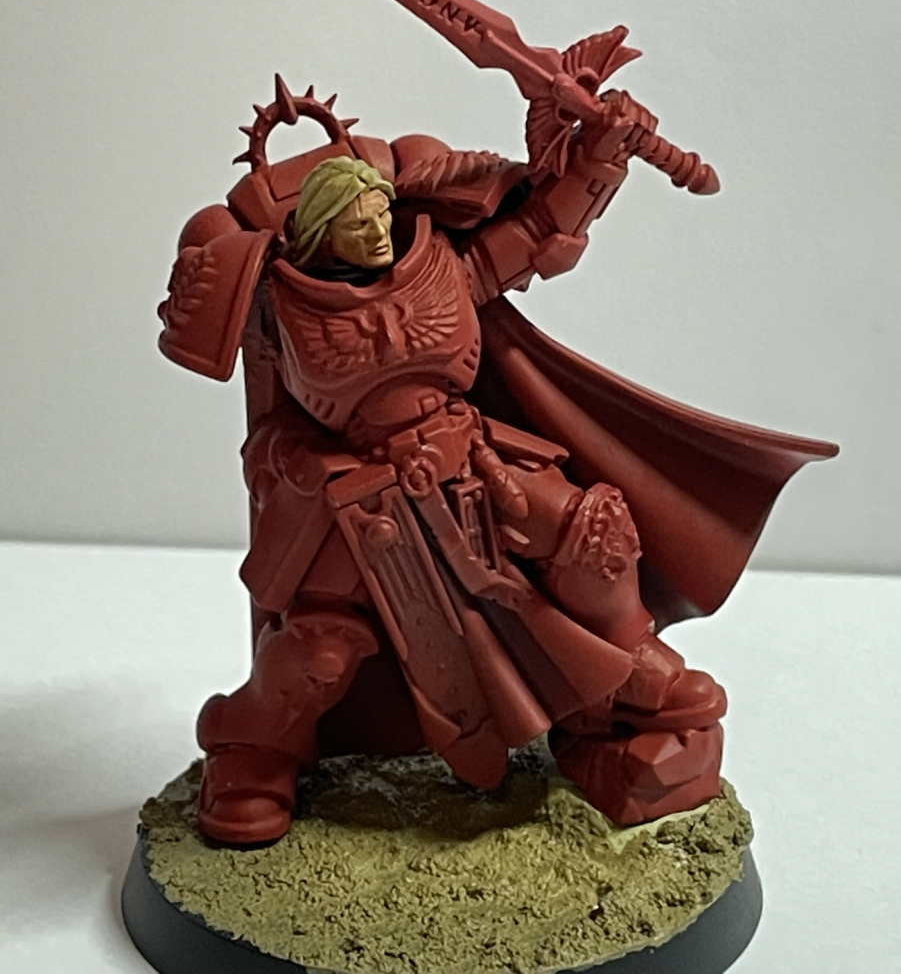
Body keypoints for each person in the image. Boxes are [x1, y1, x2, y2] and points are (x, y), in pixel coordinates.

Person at [159, 92, 833, 844]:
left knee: (591, 529)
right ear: (319, 233)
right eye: (356, 222)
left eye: (380, 213)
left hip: (471, 457)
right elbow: (274, 427)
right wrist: (309, 465)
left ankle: (623, 668)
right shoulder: (282, 307)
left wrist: (599, 157)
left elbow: (539, 230)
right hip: (360, 497)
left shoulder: (440, 267)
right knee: (319, 647)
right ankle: (254, 746)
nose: (376, 230)